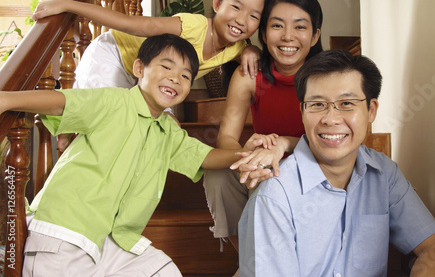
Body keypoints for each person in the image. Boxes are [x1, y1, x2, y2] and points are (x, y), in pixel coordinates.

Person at [0, 34, 257, 276]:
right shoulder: (113, 102)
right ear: (139, 69)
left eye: (186, 76)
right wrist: (8, 100)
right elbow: (60, 103)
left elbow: (205, 157)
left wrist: (247, 155)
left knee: (163, 270)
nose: (175, 78)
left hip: (111, 243)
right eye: (166, 67)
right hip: (64, 232)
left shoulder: (168, 131)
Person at [238, 49, 435, 276]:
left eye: (346, 103)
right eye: (317, 105)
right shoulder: (275, 196)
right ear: (302, 112)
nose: (330, 119)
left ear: (371, 110)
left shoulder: (384, 174)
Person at [203, 0, 324, 267]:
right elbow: (227, 138)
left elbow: (327, 142)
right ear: (263, 32)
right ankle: (253, 264)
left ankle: (263, 265)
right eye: (277, 25)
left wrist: (282, 144)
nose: (288, 37)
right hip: (262, 165)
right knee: (219, 176)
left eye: (300, 27)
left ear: (315, 35)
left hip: (311, 167)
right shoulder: (249, 75)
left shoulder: (327, 77)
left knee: (269, 182)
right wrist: (248, 159)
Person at [32, 0, 270, 86]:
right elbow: (133, 24)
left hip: (142, 78)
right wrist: (68, 5)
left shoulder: (237, 47)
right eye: (236, 7)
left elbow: (252, 54)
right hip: (115, 54)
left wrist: (253, 51)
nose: (241, 20)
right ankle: (68, 117)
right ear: (217, 4)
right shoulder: (194, 26)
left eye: (253, 16)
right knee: (102, 117)